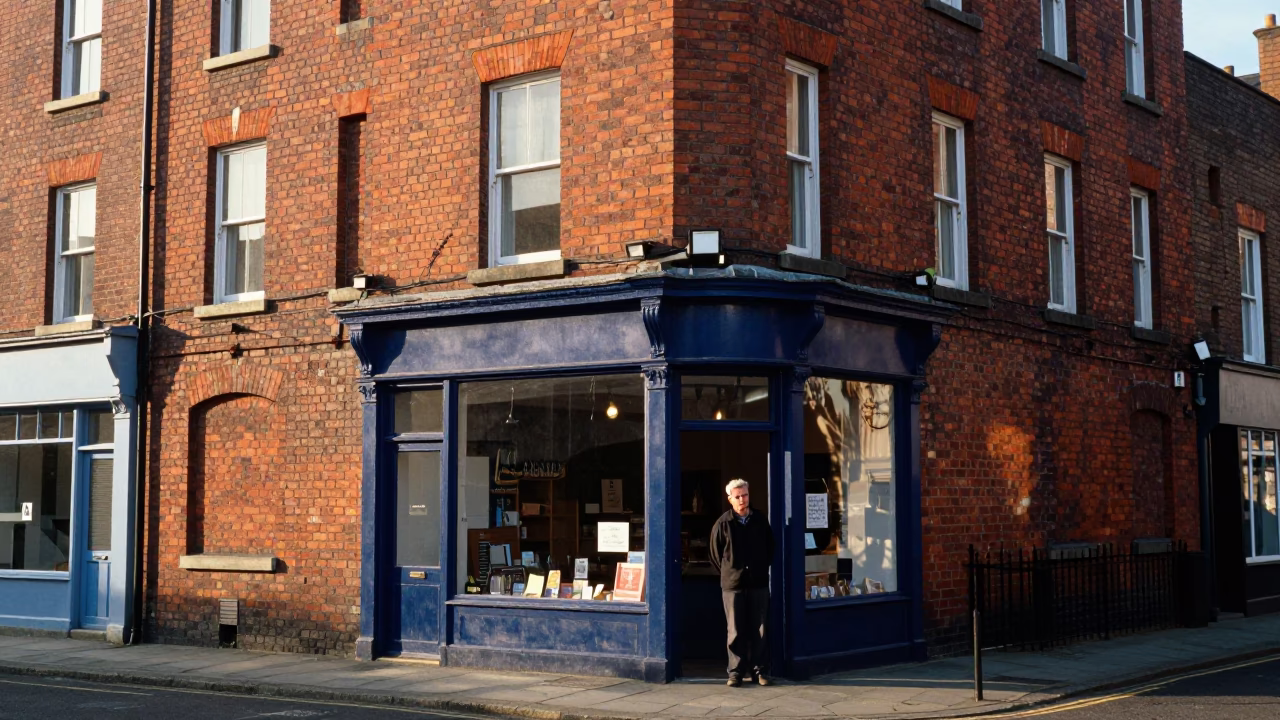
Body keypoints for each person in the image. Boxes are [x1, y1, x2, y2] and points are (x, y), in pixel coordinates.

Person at [709, 478, 774, 687]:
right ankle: (735, 672)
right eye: (737, 497)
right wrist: (732, 573)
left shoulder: (760, 520)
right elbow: (715, 555)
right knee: (735, 630)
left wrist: (760, 568)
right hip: (733, 585)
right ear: (730, 499)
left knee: (760, 628)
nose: (742, 500)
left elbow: (770, 548)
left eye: (744, 495)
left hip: (758, 582)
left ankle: (760, 671)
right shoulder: (723, 524)